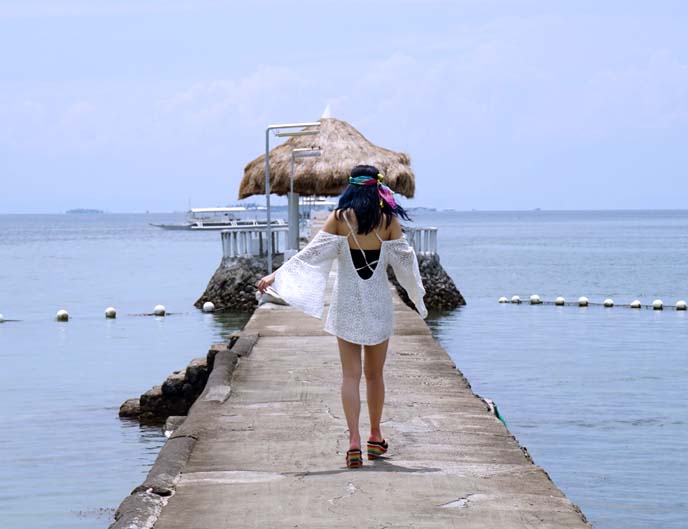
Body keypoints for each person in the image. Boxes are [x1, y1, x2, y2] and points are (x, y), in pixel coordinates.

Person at [257, 164, 428, 468]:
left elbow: (309, 254)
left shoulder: (339, 218)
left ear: (350, 187)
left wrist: (277, 276)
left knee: (350, 376)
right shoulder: (388, 221)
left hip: (346, 306)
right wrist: (418, 294)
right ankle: (375, 436)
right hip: (378, 307)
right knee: (375, 376)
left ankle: (353, 443)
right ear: (377, 187)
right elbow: (405, 260)